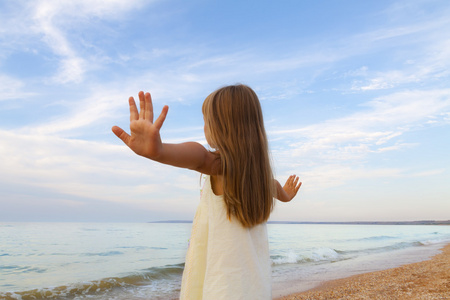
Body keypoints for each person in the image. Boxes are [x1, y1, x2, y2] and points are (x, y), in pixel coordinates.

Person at [112, 84, 301, 299]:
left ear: (222, 127)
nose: (204, 128)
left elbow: (198, 156)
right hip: (252, 284)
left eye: (206, 121)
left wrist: (159, 152)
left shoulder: (218, 166)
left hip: (221, 286)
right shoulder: (260, 179)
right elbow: (277, 189)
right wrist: (287, 195)